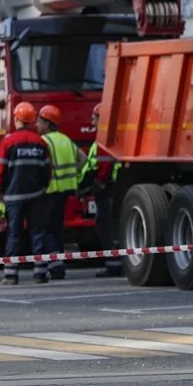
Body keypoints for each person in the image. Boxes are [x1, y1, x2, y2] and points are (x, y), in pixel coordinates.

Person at [0, 102, 52, 285]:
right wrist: (42, 188)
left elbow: (0, 169)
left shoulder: (8, 142)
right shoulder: (41, 142)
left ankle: (11, 274)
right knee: (38, 233)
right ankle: (40, 273)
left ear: (17, 119)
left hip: (13, 197)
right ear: (33, 120)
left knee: (14, 235)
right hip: (36, 196)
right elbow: (47, 171)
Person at [36, 105, 87, 280]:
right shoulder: (66, 140)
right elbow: (83, 159)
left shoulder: (45, 142)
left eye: (39, 122)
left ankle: (56, 265)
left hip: (49, 190)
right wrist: (75, 174)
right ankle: (58, 264)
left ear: (47, 124)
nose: (36, 125)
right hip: (65, 191)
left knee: (45, 228)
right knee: (57, 228)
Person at [81, 103, 124, 278]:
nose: (92, 121)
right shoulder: (113, 137)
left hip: (107, 189)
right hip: (114, 187)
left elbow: (102, 165)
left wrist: (95, 184)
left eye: (95, 117)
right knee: (111, 227)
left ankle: (114, 266)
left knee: (106, 228)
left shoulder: (103, 140)